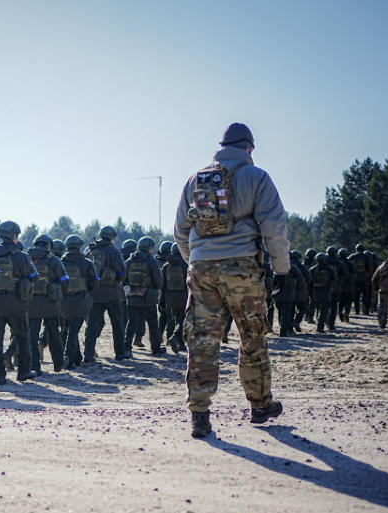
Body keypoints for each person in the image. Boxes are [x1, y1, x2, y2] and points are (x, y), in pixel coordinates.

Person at [174, 122, 288, 439]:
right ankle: (260, 405)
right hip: (241, 270)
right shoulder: (257, 177)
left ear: (221, 145)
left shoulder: (195, 179)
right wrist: (282, 268)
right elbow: (274, 228)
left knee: (201, 342)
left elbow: (180, 231)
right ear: (249, 148)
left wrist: (196, 261)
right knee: (252, 338)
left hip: (201, 269)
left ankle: (199, 416)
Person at [0, 221, 38, 384]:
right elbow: (33, 277)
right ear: (15, 236)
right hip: (16, 303)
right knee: (23, 337)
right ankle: (23, 372)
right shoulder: (21, 256)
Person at [84, 226, 127, 362]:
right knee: (117, 323)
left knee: (92, 324)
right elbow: (121, 272)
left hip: (94, 293)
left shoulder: (91, 251)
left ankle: (88, 354)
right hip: (111, 292)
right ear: (112, 237)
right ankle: (120, 353)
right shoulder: (113, 251)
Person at [26, 234, 68, 374]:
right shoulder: (54, 260)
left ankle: (34, 366)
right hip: (50, 302)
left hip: (31, 301)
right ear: (49, 245)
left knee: (32, 334)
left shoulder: (27, 257)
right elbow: (64, 280)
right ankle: (58, 363)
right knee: (53, 333)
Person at [60, 234, 98, 369]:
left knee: (68, 328)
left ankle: (76, 358)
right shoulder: (87, 263)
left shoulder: (60, 262)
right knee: (74, 330)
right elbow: (94, 282)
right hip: (80, 301)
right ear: (80, 246)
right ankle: (68, 358)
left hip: (63, 302)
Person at [123, 236, 164, 357]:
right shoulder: (152, 261)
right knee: (152, 324)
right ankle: (155, 349)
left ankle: (127, 348)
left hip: (132, 297)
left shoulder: (129, 261)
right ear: (150, 248)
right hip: (148, 298)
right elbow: (158, 280)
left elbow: (123, 278)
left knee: (131, 324)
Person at [161, 244, 189, 352]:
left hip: (170, 299)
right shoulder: (186, 265)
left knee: (177, 320)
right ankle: (176, 337)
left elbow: (163, 286)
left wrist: (162, 301)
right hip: (184, 298)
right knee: (183, 321)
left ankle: (180, 344)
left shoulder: (166, 266)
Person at [309, 253, 335, 333]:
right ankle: (320, 327)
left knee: (318, 309)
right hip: (326, 292)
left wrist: (310, 294)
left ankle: (316, 319)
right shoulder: (330, 269)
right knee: (324, 311)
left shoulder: (312, 269)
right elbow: (334, 281)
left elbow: (309, 283)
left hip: (315, 292)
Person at [348, 243, 370, 315]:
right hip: (364, 278)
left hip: (355, 279)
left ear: (356, 249)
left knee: (356, 296)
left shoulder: (352, 256)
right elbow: (370, 267)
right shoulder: (366, 257)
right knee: (365, 294)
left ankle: (357, 311)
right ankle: (365, 310)